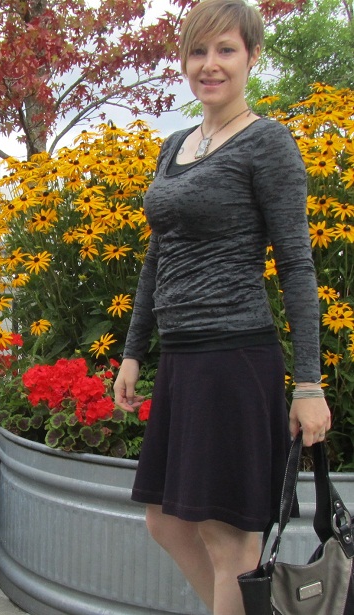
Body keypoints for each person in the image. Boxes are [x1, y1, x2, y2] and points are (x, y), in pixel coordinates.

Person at [113, 1, 331, 613]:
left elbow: (297, 265)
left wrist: (309, 383)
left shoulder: (268, 143)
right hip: (182, 361)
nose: (210, 65)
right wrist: (133, 352)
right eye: (198, 51)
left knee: (230, 541)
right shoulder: (175, 146)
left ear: (252, 56)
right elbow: (157, 257)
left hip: (233, 358)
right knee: (165, 520)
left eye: (226, 50)